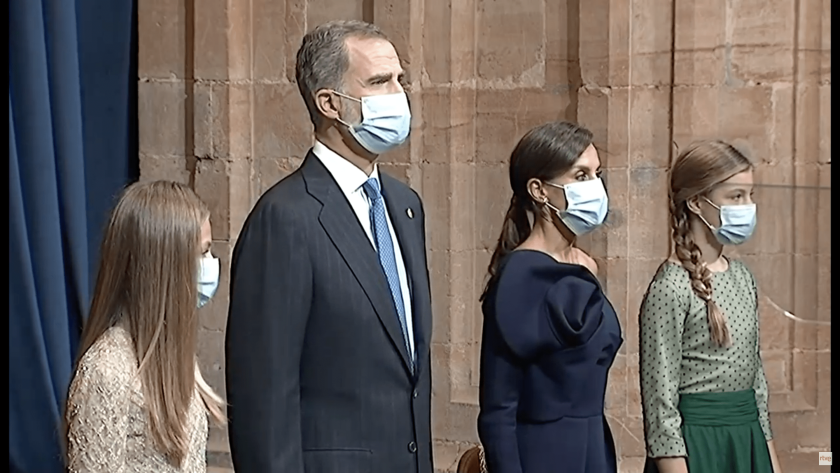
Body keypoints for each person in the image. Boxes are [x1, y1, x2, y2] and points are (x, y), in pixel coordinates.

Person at [224, 20, 433, 473]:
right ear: (330, 103)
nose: (399, 95)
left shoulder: (404, 206)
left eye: (400, 80)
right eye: (380, 82)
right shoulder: (285, 217)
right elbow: (265, 397)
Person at [477, 121, 623, 473]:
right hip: (541, 454)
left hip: (594, 449)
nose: (596, 187)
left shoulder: (587, 267)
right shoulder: (517, 278)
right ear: (540, 191)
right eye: (581, 175)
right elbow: (498, 408)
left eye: (597, 174)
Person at [639, 140, 782, 473]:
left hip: (747, 439)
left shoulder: (743, 277)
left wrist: (770, 461)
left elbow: (757, 384)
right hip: (697, 448)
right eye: (735, 196)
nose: (747, 206)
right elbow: (660, 402)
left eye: (750, 195)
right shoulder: (671, 287)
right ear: (696, 202)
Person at [63, 180, 226, 473]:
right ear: (168, 266)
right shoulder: (107, 370)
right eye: (202, 253)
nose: (211, 264)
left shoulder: (174, 355)